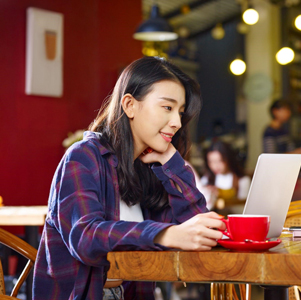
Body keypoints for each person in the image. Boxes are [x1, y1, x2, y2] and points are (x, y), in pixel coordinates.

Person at [32, 56, 225, 300]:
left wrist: (172, 163)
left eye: (180, 112)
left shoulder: (148, 167)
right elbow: (86, 238)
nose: (176, 122)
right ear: (129, 105)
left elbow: (198, 228)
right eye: (167, 107)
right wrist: (166, 234)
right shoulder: (83, 157)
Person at [201, 140, 251, 210]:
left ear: (228, 159)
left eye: (219, 161)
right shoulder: (206, 179)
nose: (215, 166)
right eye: (211, 162)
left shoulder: (242, 180)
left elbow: (243, 208)